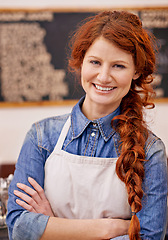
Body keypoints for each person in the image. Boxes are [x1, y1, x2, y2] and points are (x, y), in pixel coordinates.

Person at [6, 10, 167, 240]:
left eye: (118, 66)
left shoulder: (151, 151)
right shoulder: (41, 137)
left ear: (136, 71)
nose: (103, 76)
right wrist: (109, 229)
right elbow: (19, 228)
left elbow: (149, 237)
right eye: (95, 62)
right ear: (81, 63)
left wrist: (53, 226)